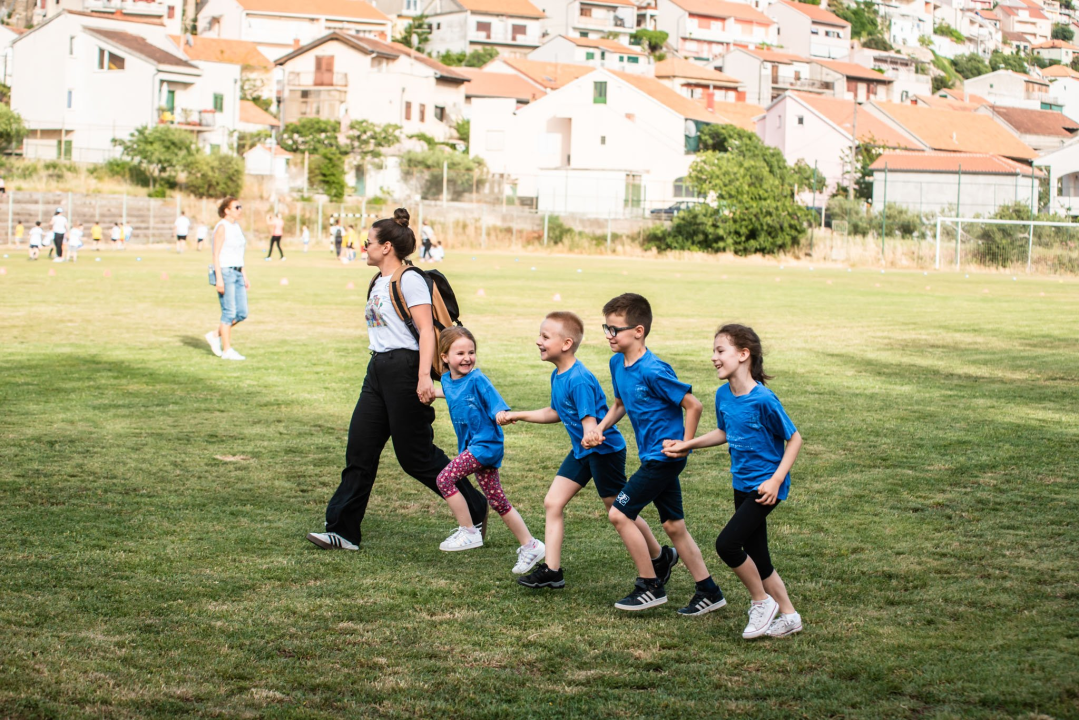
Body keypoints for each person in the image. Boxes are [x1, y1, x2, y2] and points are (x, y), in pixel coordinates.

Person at [307, 208, 490, 552]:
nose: (364, 247)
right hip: (377, 369)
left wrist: (422, 377)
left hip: (406, 369)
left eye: (369, 242)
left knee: (415, 456)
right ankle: (343, 531)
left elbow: (426, 331)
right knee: (359, 450)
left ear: (387, 246)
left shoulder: (410, 280)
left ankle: (475, 507)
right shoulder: (378, 280)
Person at [500, 312, 675, 590]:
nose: (538, 341)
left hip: (604, 452)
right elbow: (555, 412)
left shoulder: (578, 379)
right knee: (553, 502)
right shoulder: (559, 375)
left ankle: (660, 555)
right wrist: (518, 415)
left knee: (619, 510)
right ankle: (553, 571)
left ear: (566, 343)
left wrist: (591, 436)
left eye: (545, 337)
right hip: (582, 452)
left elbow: (590, 427)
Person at [583, 293, 725, 614]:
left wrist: (685, 444)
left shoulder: (654, 370)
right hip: (651, 456)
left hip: (665, 458)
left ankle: (650, 585)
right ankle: (709, 590)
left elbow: (693, 405)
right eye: (606, 327)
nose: (608, 335)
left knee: (619, 514)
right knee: (674, 527)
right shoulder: (617, 362)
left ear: (638, 331)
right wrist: (601, 428)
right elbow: (620, 404)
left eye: (615, 329)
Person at [663, 325, 803, 639]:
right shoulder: (723, 394)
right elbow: (724, 432)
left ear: (743, 355)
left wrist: (775, 480)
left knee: (727, 545)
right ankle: (790, 616)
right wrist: (687, 444)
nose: (713, 357)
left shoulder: (764, 400)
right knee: (759, 556)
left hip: (766, 488)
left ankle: (761, 602)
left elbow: (794, 439)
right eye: (713, 351)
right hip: (741, 483)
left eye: (720, 351)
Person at [433, 326, 545, 573]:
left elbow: (495, 402)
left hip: (486, 445)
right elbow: (453, 393)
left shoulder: (478, 379)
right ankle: (531, 545)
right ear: (444, 358)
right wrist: (433, 394)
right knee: (497, 500)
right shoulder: (447, 380)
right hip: (472, 446)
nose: (467, 358)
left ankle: (469, 531)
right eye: (460, 353)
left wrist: (501, 414)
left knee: (444, 479)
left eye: (471, 352)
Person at [205, 197, 249, 362]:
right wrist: (219, 279)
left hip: (237, 272)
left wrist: (244, 274)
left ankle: (215, 334)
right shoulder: (222, 227)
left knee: (242, 313)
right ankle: (227, 350)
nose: (240, 209)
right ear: (227, 210)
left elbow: (239, 254)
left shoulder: (236, 227)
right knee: (229, 312)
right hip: (226, 272)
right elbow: (216, 254)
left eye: (240, 206)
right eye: (237, 207)